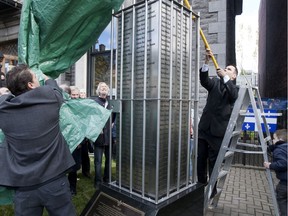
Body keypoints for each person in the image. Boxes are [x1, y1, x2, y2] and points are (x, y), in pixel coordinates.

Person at [0, 64, 76, 215]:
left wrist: (5, 93)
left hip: (24, 185)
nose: (38, 80)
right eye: (36, 78)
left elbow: (3, 97)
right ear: (30, 85)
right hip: (55, 180)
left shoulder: (4, 109)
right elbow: (53, 87)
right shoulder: (50, 97)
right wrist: (48, 78)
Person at [197, 49, 238, 199]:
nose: (226, 69)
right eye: (226, 68)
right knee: (200, 159)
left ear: (233, 76)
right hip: (204, 128)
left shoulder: (233, 88)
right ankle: (200, 185)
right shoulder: (214, 83)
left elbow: (233, 95)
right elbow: (203, 80)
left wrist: (225, 78)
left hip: (217, 132)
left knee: (213, 163)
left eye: (230, 69)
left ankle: (212, 189)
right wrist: (206, 62)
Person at [93, 82, 115, 189]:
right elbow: (91, 118)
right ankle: (98, 182)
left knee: (108, 159)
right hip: (99, 137)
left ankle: (107, 179)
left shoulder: (110, 103)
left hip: (109, 136)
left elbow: (114, 115)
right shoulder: (95, 102)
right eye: (102, 87)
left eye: (106, 87)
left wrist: (113, 123)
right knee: (98, 161)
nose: (104, 89)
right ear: (98, 90)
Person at [264, 129, 287, 216]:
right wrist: (271, 147)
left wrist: (270, 165)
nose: (272, 140)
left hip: (285, 184)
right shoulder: (285, 147)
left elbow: (283, 164)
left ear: (280, 140)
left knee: (282, 200)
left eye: (274, 139)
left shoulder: (279, 150)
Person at [68, 86, 82, 195]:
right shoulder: (66, 106)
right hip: (66, 141)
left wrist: (79, 141)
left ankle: (72, 189)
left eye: (77, 95)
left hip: (77, 141)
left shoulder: (82, 107)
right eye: (73, 95)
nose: (75, 97)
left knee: (74, 166)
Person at [79, 88, 92, 178]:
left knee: (85, 154)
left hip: (85, 132)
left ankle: (86, 171)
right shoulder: (76, 103)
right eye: (81, 93)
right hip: (78, 131)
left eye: (84, 93)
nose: (83, 94)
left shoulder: (88, 103)